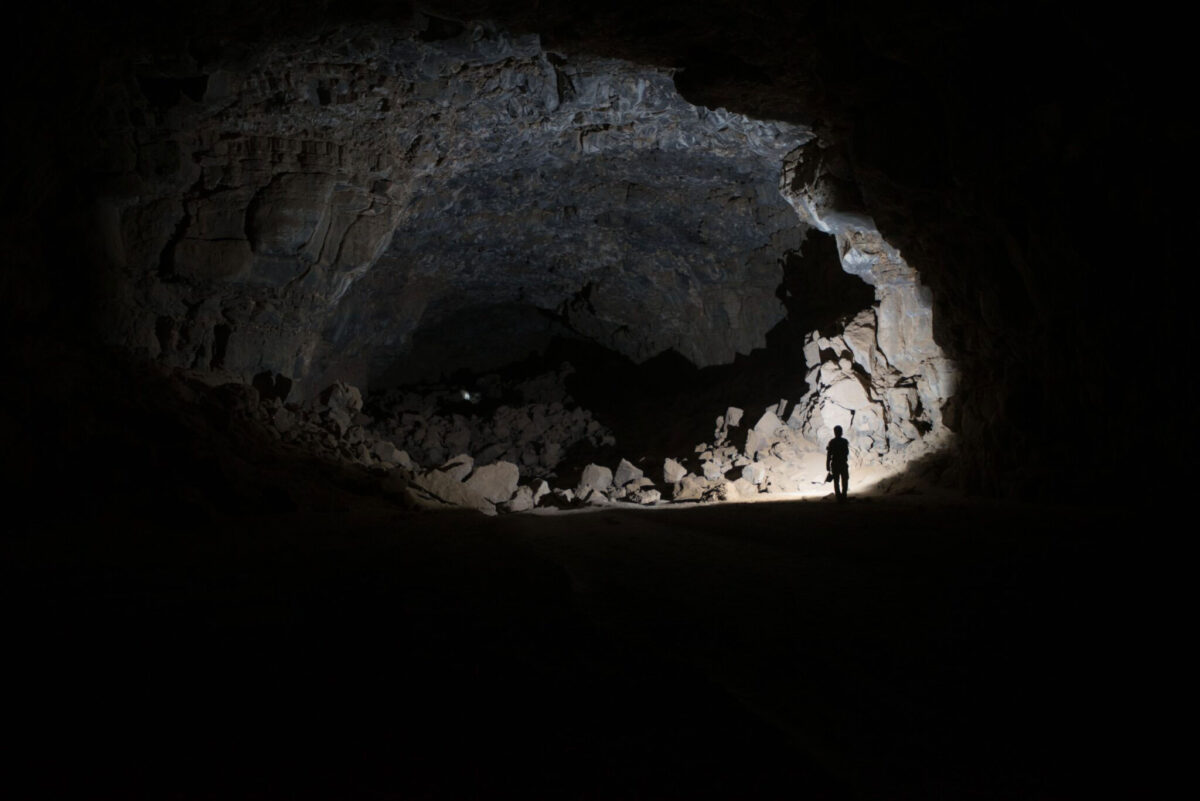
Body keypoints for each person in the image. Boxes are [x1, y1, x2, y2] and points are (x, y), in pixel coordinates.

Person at [826, 425, 850, 503]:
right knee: (844, 479)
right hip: (843, 463)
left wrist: (827, 465)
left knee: (836, 481)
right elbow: (846, 452)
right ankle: (844, 495)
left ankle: (838, 496)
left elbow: (829, 455)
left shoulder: (832, 442)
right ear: (841, 432)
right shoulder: (844, 441)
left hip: (835, 464)